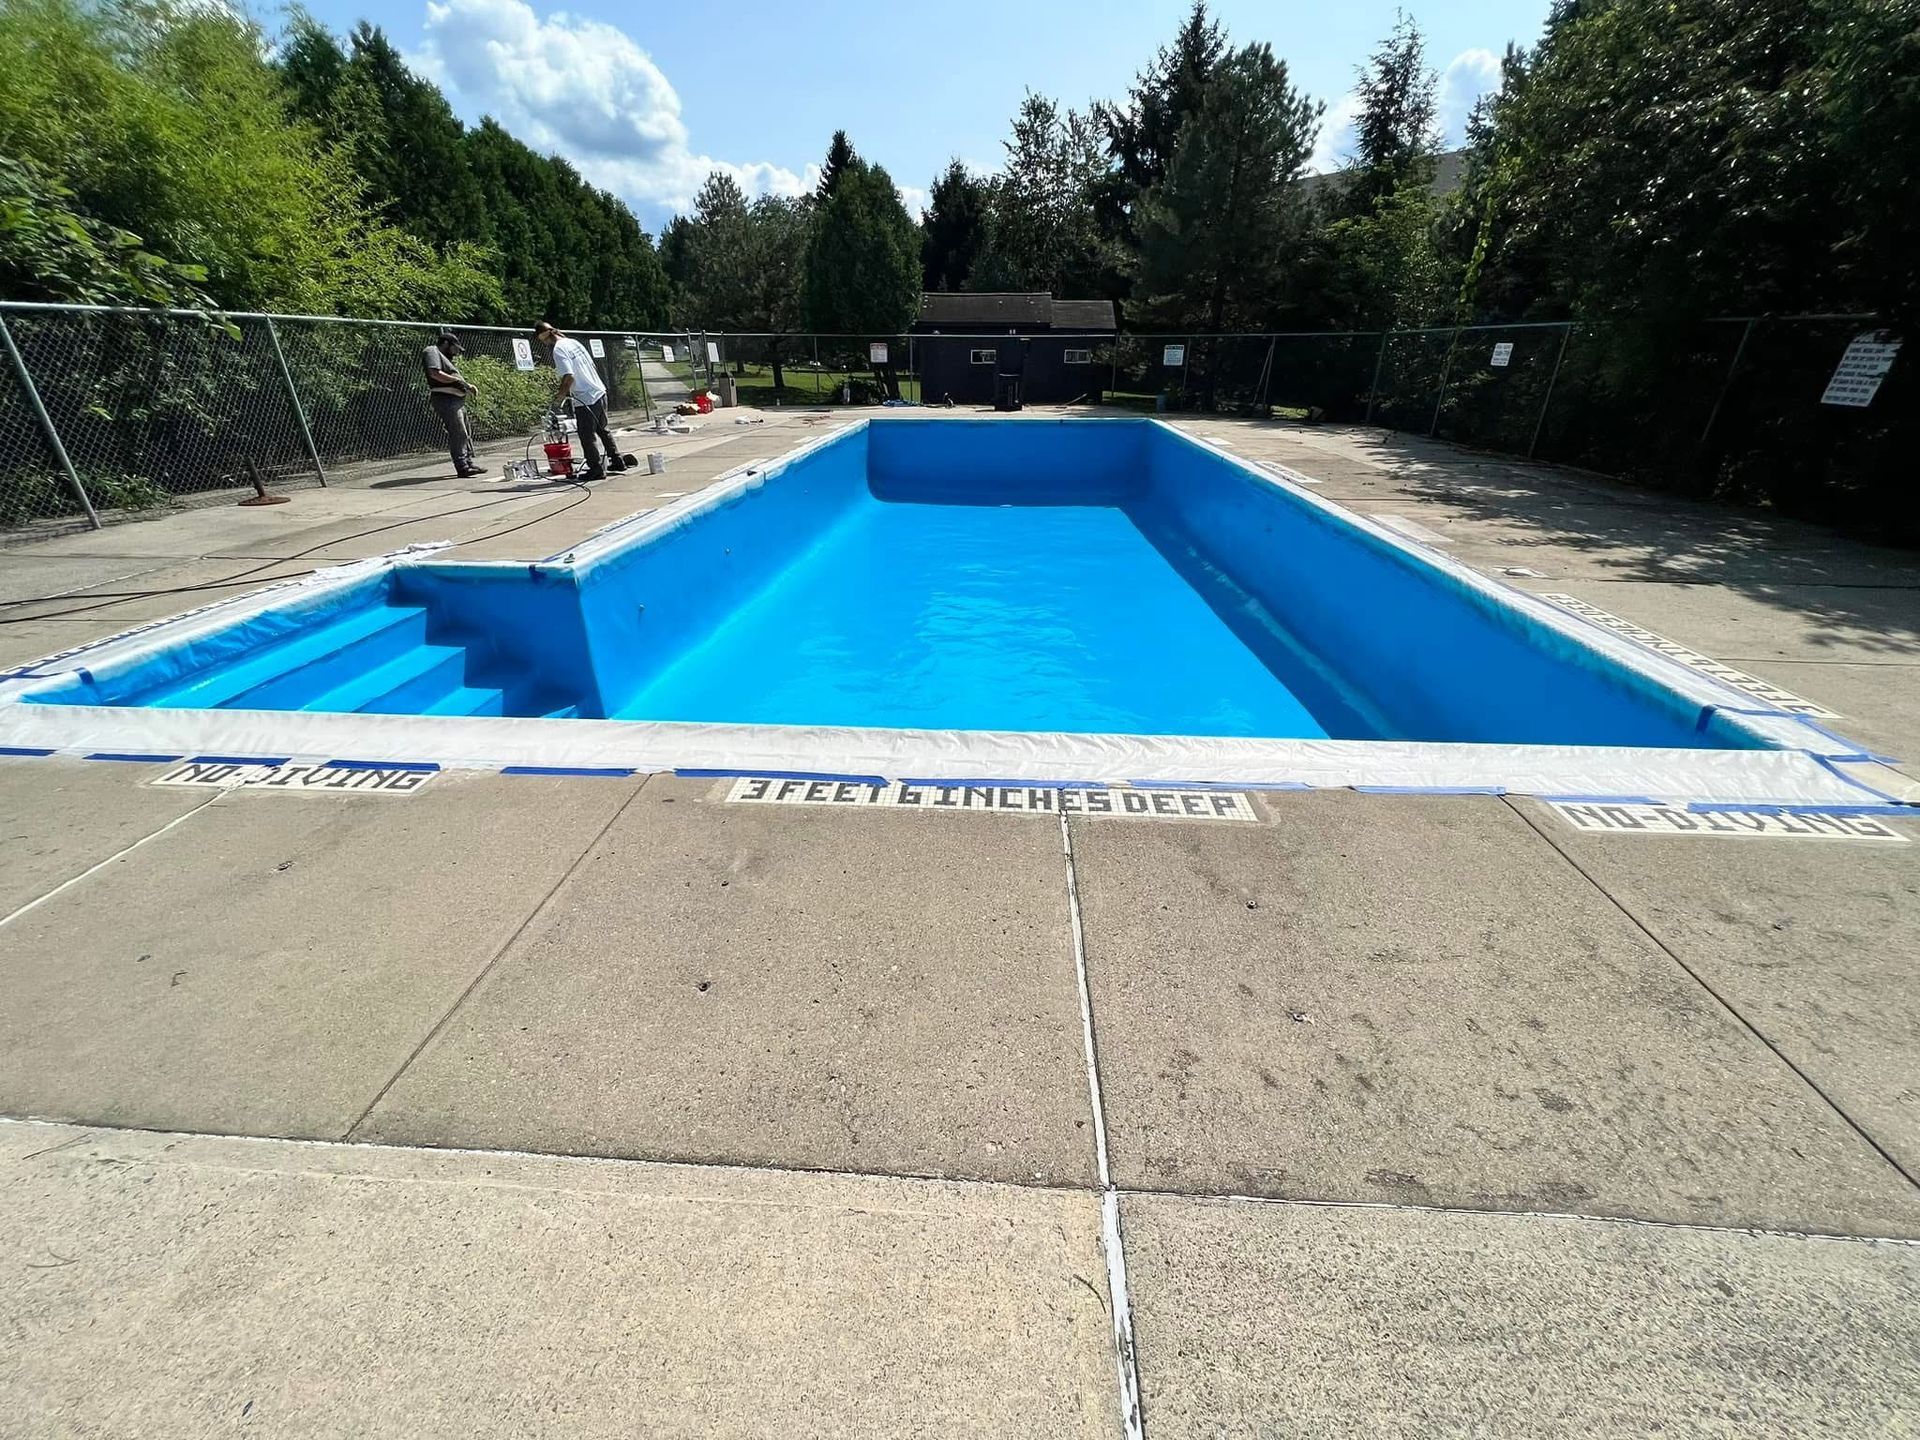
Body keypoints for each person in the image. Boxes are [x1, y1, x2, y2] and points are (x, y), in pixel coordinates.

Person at [535, 321, 625, 478]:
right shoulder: (573, 342)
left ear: (544, 338)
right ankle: (617, 460)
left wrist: (559, 399)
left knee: (586, 435)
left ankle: (596, 469)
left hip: (586, 397)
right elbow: (592, 366)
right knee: (602, 429)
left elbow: (569, 376)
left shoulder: (559, 349)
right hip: (599, 390)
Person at [422, 330, 483, 478]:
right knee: (458, 433)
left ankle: (468, 462)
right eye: (454, 348)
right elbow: (435, 373)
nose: (456, 352)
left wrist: (466, 386)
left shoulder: (445, 357)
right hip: (446, 399)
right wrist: (458, 381)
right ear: (445, 343)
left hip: (456, 399)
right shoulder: (432, 351)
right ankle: (462, 466)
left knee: (466, 432)